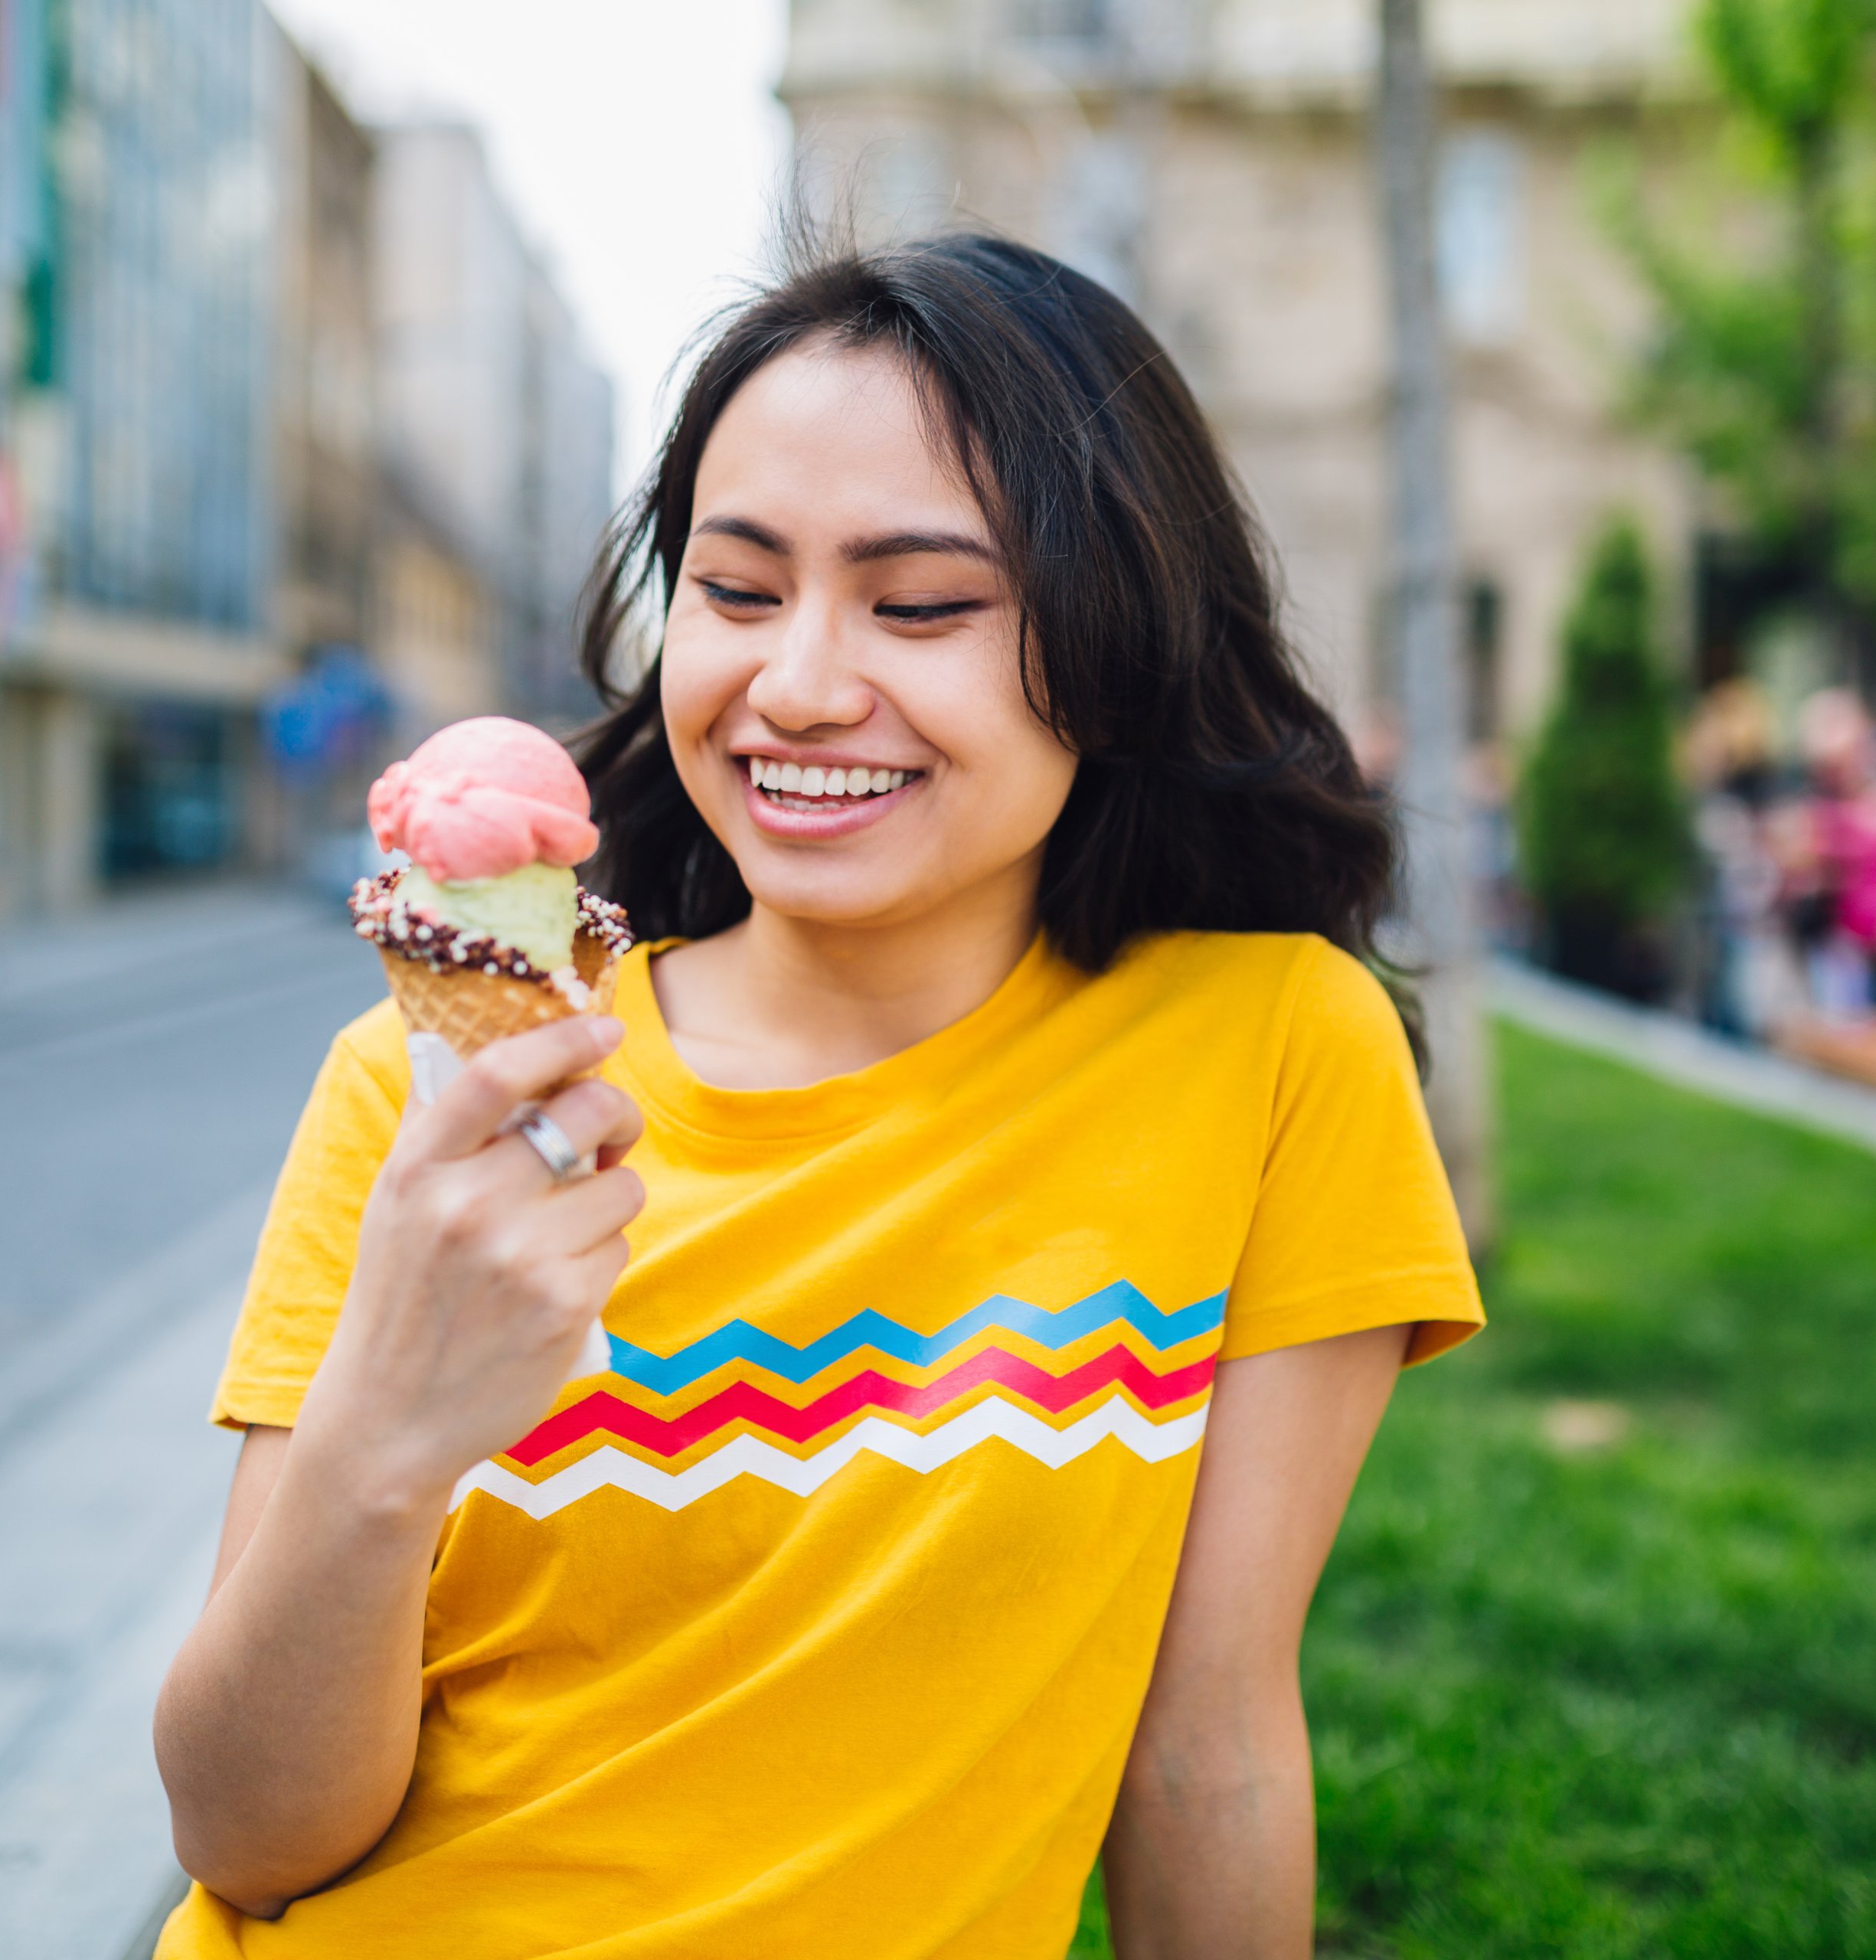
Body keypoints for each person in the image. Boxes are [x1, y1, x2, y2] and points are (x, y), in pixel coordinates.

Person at [149, 235, 1485, 1959]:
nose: (795, 687)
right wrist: (385, 1445)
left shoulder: (1278, 1050)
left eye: (921, 602)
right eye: (738, 587)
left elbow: (1209, 1739)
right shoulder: (426, 1100)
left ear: (1116, 630)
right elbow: (245, 1834)